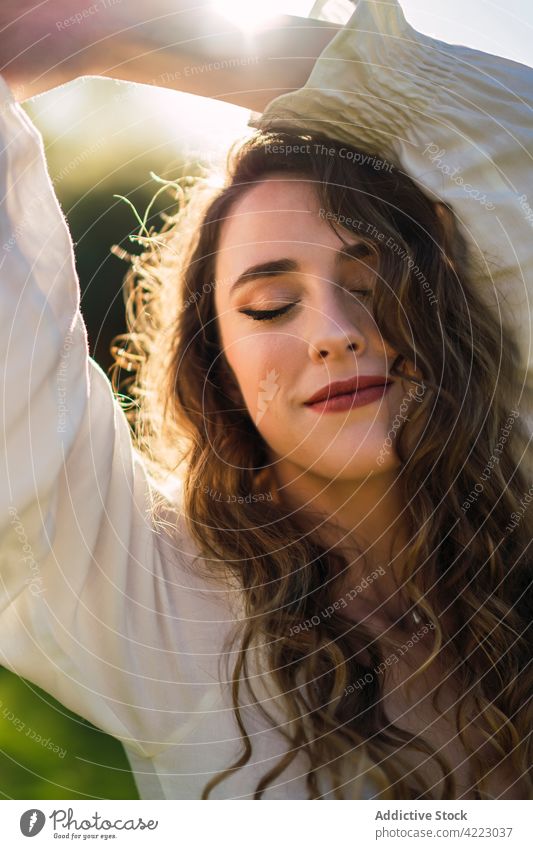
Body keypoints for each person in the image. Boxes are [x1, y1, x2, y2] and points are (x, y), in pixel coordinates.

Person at [0, 0, 531, 801]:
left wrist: (110, 29)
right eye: (270, 306)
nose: (333, 332)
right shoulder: (162, 605)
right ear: (219, 371)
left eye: (369, 278)